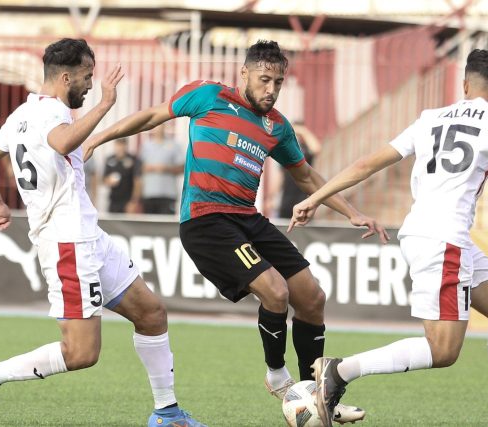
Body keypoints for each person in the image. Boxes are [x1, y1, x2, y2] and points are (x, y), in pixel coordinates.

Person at [288, 49, 488, 427]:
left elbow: (366, 164)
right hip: (444, 241)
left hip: (428, 233)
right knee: (443, 351)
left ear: (464, 84)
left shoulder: (431, 118)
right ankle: (340, 370)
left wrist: (313, 198)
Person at [83, 40, 389, 425]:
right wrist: (96, 138)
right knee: (275, 292)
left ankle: (318, 392)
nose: (271, 89)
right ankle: (279, 378)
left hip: (248, 218)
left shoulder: (277, 126)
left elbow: (306, 176)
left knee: (312, 296)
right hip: (206, 220)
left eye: (279, 82)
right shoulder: (208, 96)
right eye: (265, 79)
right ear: (243, 73)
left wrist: (352, 213)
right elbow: (150, 117)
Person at [0, 38, 205, 427]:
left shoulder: (23, 114)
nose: (91, 84)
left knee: (152, 313)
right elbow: (62, 142)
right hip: (66, 243)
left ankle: (167, 414)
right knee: (81, 354)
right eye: (87, 76)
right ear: (65, 77)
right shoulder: (49, 117)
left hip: (88, 236)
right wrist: (107, 104)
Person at [277, 123, 321, 219]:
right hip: (286, 199)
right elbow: (280, 176)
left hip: (304, 197)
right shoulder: (286, 149)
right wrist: (271, 198)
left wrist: (303, 131)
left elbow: (316, 149)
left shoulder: (306, 149)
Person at [139, 127, 184, 215]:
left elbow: (182, 168)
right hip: (149, 193)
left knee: (165, 226)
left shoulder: (174, 145)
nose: (159, 128)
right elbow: (139, 169)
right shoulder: (146, 146)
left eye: (161, 125)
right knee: (149, 225)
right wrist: (149, 168)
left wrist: (166, 168)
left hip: (168, 194)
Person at [103, 138, 141, 213]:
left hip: (128, 202)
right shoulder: (110, 159)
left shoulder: (133, 159)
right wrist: (109, 181)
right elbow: (104, 179)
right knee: (111, 224)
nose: (120, 148)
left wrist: (133, 202)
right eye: (118, 145)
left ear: (126, 146)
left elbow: (137, 181)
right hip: (113, 201)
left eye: (122, 145)